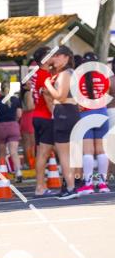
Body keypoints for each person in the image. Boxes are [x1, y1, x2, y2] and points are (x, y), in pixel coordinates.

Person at [43, 45, 79, 199]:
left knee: (64, 154)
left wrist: (48, 84)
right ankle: (70, 186)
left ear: (66, 57)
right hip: (71, 112)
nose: (54, 58)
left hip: (64, 112)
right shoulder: (71, 73)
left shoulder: (65, 74)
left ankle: (70, 187)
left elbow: (61, 96)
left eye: (58, 55)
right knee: (69, 153)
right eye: (54, 56)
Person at [76, 51, 110, 194]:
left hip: (85, 114)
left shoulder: (78, 78)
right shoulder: (103, 77)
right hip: (102, 113)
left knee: (88, 152)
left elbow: (76, 100)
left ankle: (88, 185)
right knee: (102, 151)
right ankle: (102, 184)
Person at [28, 47, 55, 197]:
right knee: (44, 154)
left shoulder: (36, 74)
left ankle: (41, 185)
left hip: (37, 116)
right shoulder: (45, 76)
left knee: (41, 153)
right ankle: (40, 187)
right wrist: (56, 115)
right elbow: (47, 97)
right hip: (46, 117)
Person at [0, 80, 23, 181]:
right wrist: (14, 122)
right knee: (14, 152)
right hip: (13, 126)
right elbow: (19, 115)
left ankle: (2, 173)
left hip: (0, 127)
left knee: (2, 153)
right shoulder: (16, 100)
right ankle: (18, 172)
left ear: (1, 89)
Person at [19, 78, 35, 169]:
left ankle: (26, 162)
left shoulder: (22, 94)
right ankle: (31, 163)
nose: (31, 85)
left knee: (26, 143)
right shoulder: (28, 93)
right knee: (31, 143)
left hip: (24, 118)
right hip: (29, 118)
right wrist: (38, 105)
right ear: (24, 86)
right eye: (29, 84)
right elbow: (30, 107)